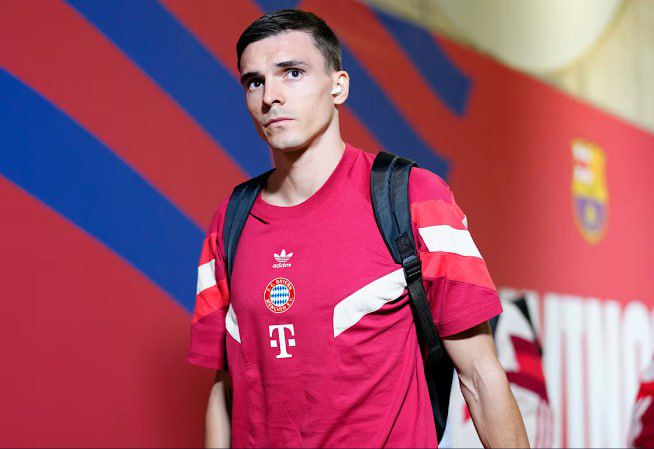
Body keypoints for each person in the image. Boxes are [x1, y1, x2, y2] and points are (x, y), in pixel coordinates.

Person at [187, 9, 528, 448]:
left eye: (292, 73)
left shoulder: (415, 197)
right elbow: (224, 386)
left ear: (339, 86)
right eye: (254, 82)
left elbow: (480, 376)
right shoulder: (230, 221)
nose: (270, 96)